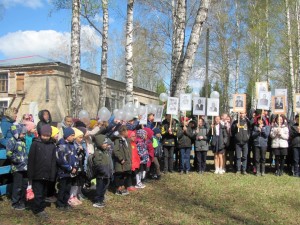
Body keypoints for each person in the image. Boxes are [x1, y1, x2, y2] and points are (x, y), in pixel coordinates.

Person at [28, 124, 57, 219]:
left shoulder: (52, 145)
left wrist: (52, 174)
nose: (45, 137)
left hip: (47, 173)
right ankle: (38, 209)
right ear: (40, 134)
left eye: (48, 135)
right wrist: (30, 175)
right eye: (44, 135)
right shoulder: (35, 144)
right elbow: (31, 160)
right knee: (38, 192)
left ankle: (41, 206)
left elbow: (53, 161)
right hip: (37, 173)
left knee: (43, 192)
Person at [6, 124, 28, 210]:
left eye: (24, 133)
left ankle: (22, 201)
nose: (24, 135)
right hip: (17, 168)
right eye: (22, 133)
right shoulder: (11, 141)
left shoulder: (23, 141)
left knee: (24, 185)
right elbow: (9, 154)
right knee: (17, 186)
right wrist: (18, 160)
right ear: (16, 133)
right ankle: (15, 202)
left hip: (25, 167)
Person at [56, 127, 78, 210]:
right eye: (72, 135)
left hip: (71, 172)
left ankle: (66, 202)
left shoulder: (72, 145)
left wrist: (75, 166)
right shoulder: (61, 145)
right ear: (67, 135)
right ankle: (60, 203)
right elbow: (60, 158)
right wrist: (69, 167)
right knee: (62, 188)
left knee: (68, 188)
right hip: (63, 172)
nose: (73, 137)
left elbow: (75, 156)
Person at [92, 134, 113, 208]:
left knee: (104, 187)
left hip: (106, 174)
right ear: (99, 143)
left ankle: (101, 198)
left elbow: (109, 162)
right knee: (100, 188)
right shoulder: (97, 153)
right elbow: (98, 164)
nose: (106, 144)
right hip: (101, 175)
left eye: (106, 143)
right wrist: (103, 171)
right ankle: (97, 200)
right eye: (104, 143)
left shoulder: (106, 152)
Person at [68, 128, 85, 206]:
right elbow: (74, 155)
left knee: (77, 183)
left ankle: (75, 196)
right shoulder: (73, 145)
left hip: (80, 166)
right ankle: (71, 197)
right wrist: (79, 150)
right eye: (80, 137)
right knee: (73, 182)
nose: (81, 139)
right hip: (74, 167)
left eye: (82, 137)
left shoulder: (80, 145)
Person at [113, 125, 132, 195]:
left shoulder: (127, 140)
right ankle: (118, 188)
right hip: (120, 161)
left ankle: (122, 186)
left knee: (124, 174)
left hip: (127, 161)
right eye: (127, 131)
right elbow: (115, 150)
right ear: (123, 132)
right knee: (119, 174)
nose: (128, 132)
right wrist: (121, 158)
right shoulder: (118, 140)